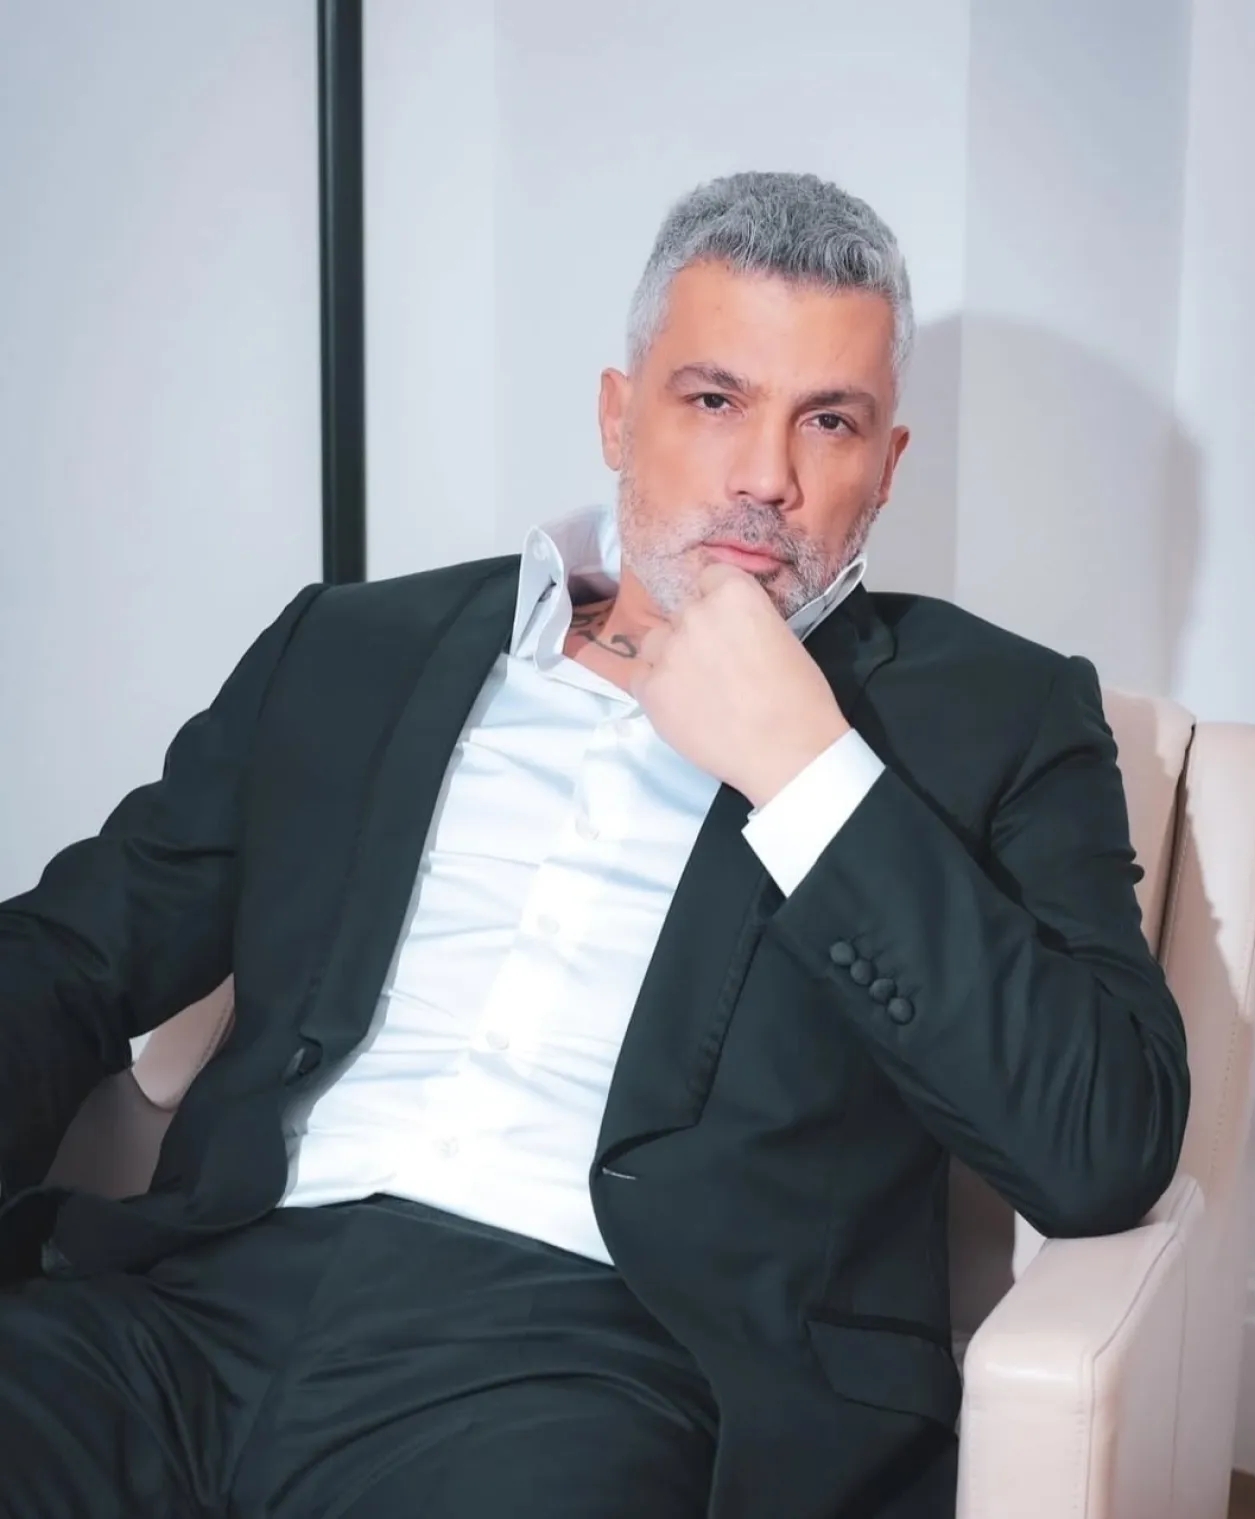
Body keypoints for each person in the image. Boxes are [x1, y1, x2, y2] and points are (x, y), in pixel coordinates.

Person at [0, 170, 1189, 1519]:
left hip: (597, 1365)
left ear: (888, 466)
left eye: (829, 421)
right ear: (620, 415)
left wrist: (806, 770)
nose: (767, 479)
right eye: (715, 400)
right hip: (188, 1307)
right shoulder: (352, 647)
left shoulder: (998, 718)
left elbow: (1103, 1140)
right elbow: (71, 953)